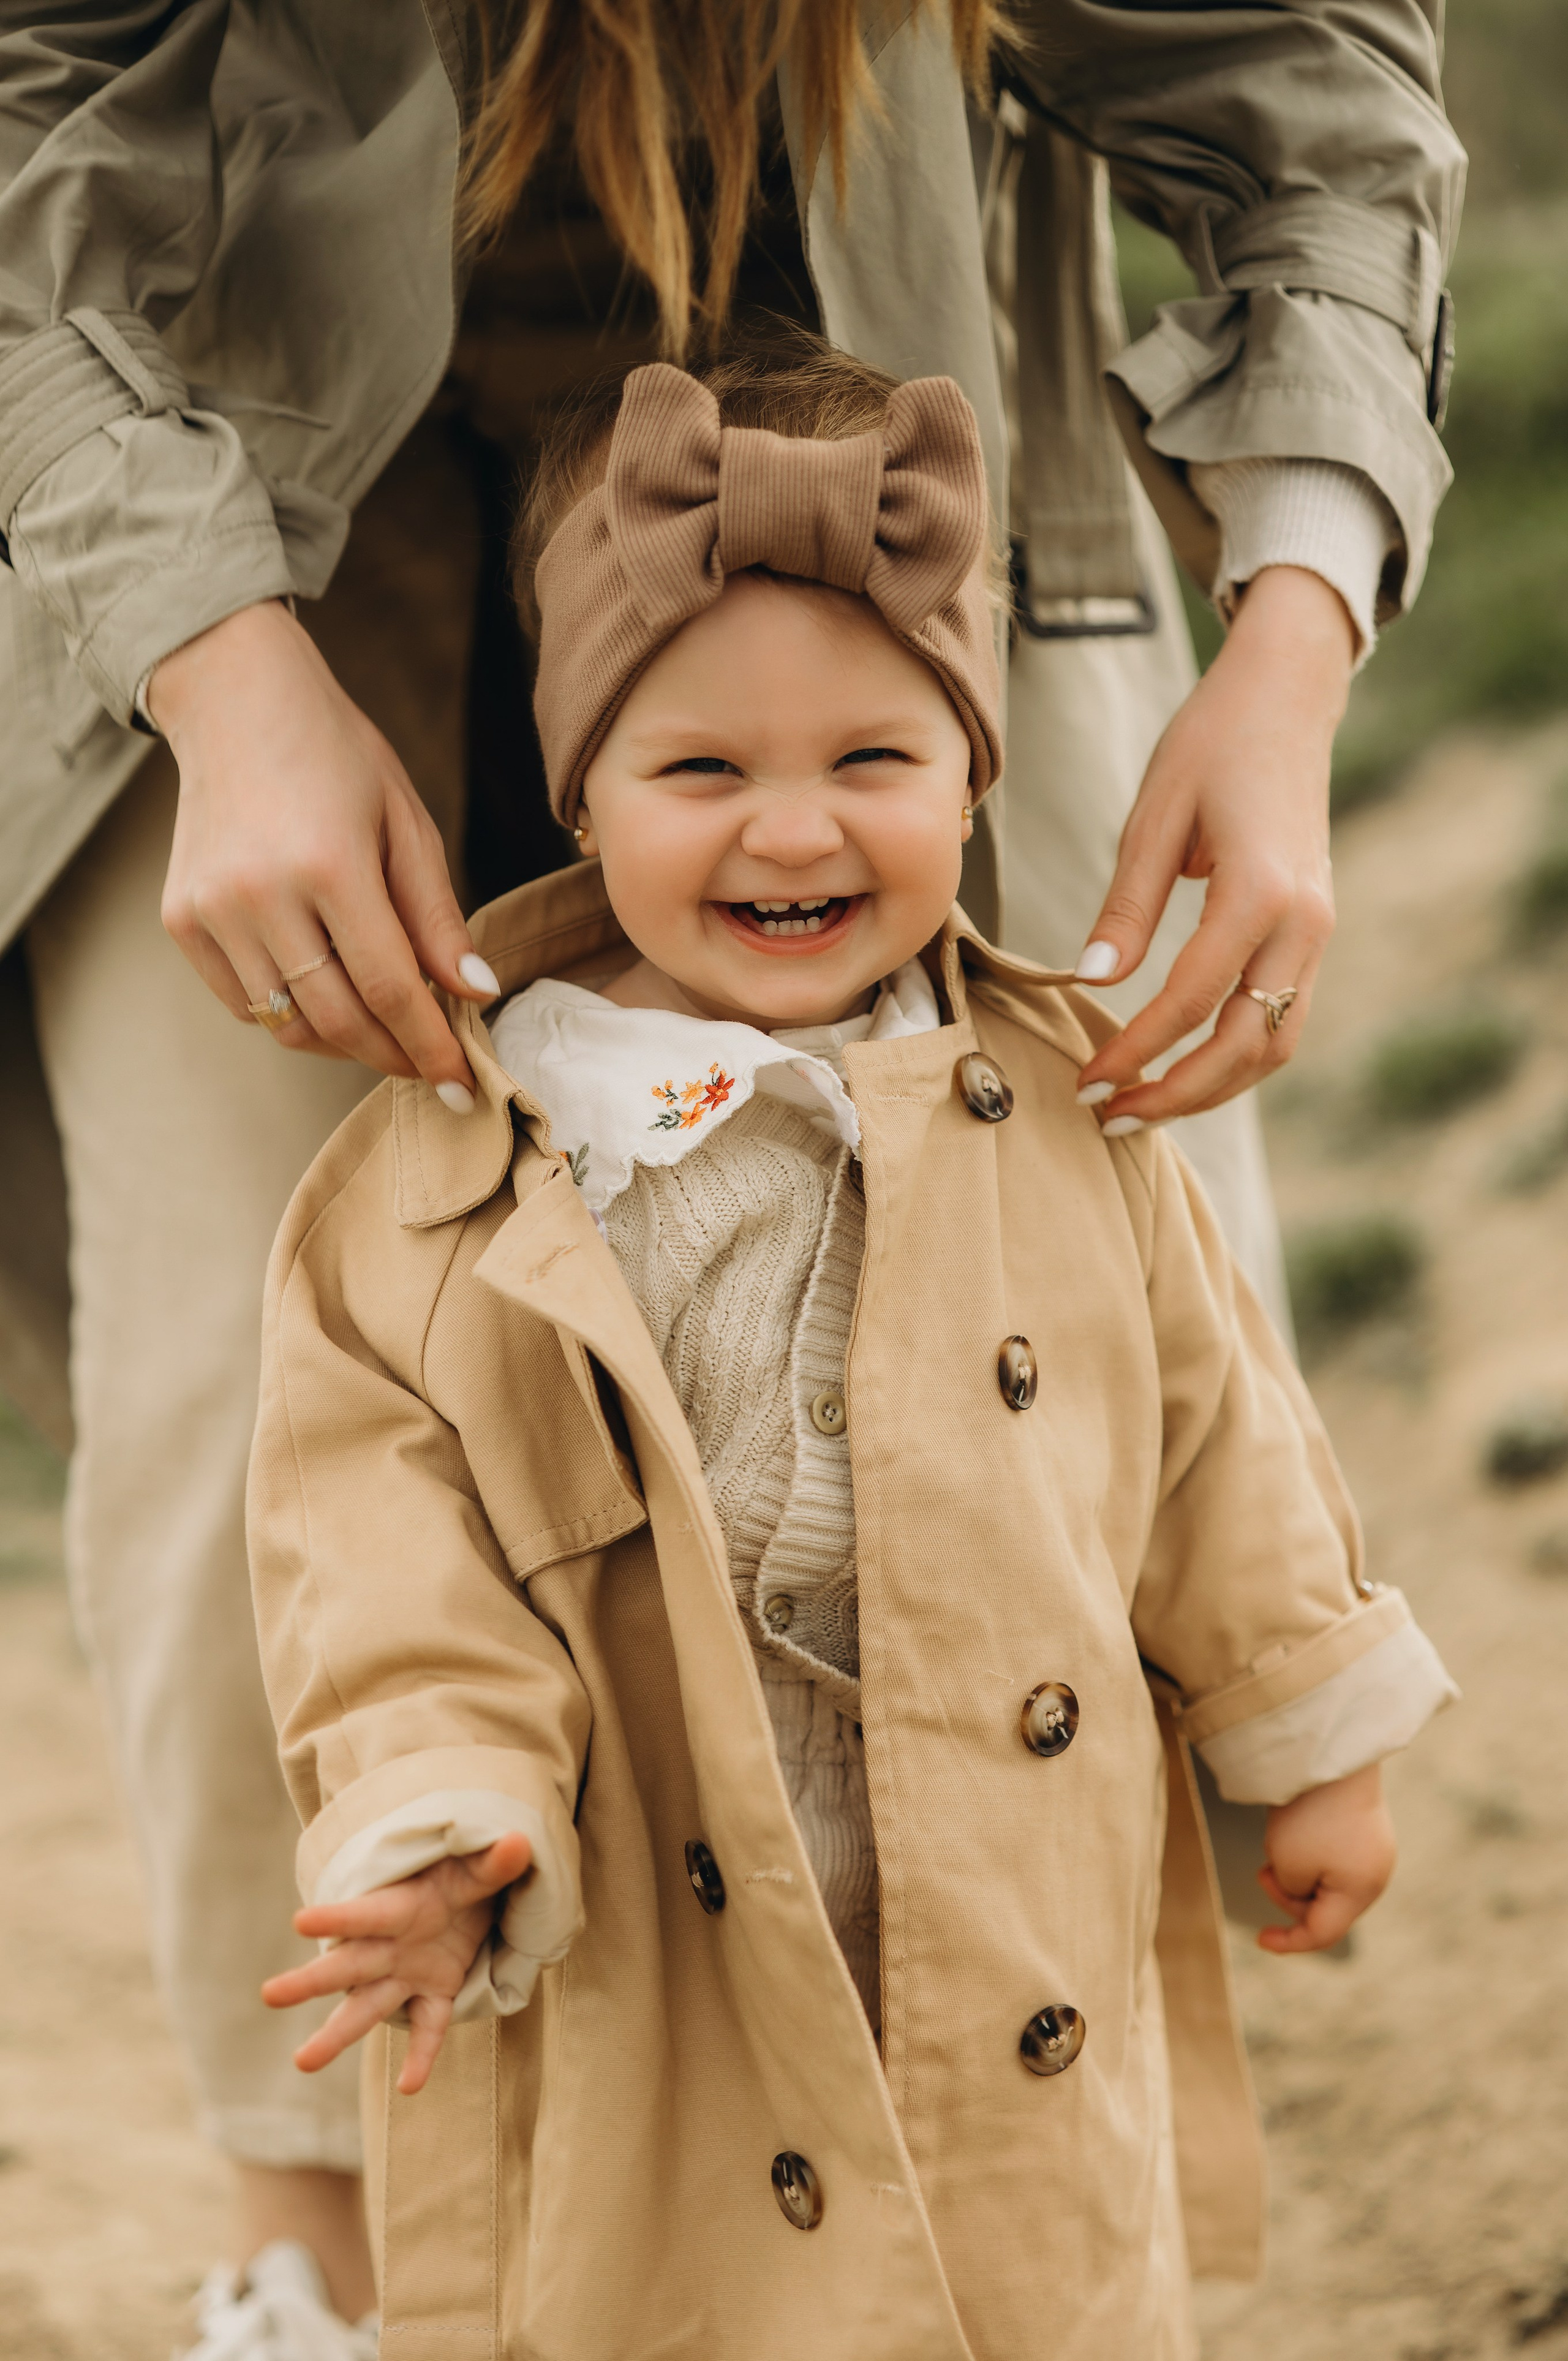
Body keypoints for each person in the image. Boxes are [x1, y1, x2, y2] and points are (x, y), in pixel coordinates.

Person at [0, 3, 1464, 2350]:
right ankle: (343, 2264)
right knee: (232, 1394)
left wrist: (1287, 650)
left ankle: (999, 2195)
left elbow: (1319, 93)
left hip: (906, 497)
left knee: (1083, 1268)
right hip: (220, 498)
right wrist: (211, 666)